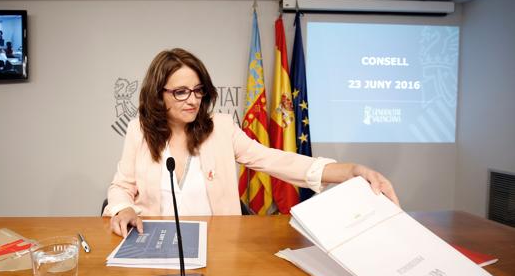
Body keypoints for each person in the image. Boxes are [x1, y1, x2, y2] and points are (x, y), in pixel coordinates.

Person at [104, 48, 399, 237]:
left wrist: (351, 171)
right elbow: (121, 187)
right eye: (181, 92)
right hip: (155, 244)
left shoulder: (220, 128)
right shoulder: (138, 131)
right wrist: (122, 209)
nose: (193, 100)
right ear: (159, 94)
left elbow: (276, 160)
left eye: (198, 90)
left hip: (217, 248)